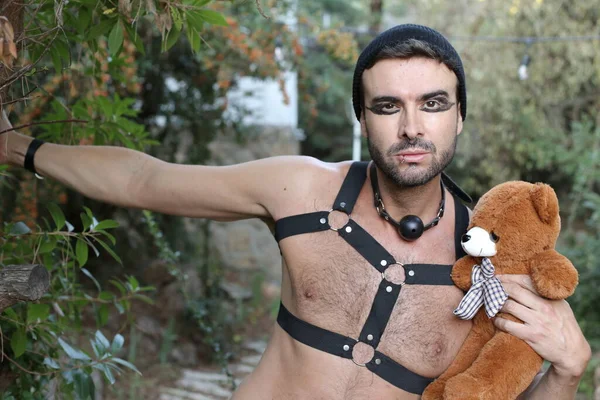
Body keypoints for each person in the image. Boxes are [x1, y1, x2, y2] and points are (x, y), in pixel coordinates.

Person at [0, 24, 591, 399]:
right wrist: (16, 147)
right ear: (363, 118)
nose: (412, 126)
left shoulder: (491, 265)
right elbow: (146, 177)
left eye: (432, 104)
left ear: (460, 114)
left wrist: (565, 373)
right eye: (388, 106)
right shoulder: (300, 191)